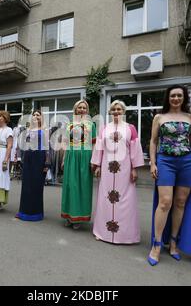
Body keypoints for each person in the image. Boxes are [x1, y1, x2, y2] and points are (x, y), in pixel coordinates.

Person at [147, 85, 191, 266]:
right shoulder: (159, 117)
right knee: (165, 202)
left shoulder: (190, 117)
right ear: (168, 98)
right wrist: (153, 162)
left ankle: (173, 242)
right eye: (173, 95)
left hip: (187, 162)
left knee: (180, 203)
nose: (176, 98)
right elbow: (154, 142)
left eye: (179, 95)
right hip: (165, 161)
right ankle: (156, 244)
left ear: (184, 98)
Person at [91, 100, 145, 244]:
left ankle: (126, 236)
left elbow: (135, 149)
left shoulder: (130, 128)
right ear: (110, 112)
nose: (116, 112)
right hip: (107, 169)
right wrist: (97, 166)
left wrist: (134, 168)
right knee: (105, 199)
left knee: (126, 200)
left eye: (119, 109)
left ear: (123, 111)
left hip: (125, 169)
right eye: (114, 109)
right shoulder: (104, 128)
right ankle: (103, 232)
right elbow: (99, 148)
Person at [61, 100, 96, 230]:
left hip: (85, 157)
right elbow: (66, 144)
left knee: (82, 187)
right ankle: (68, 216)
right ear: (75, 109)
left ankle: (79, 218)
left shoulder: (91, 125)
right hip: (71, 156)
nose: (81, 109)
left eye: (84, 108)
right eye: (79, 107)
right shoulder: (69, 125)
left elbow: (93, 143)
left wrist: (93, 159)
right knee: (70, 186)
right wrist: (64, 159)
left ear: (86, 110)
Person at [16, 110, 50, 221]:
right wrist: (20, 157)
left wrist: (47, 163)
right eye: (34, 115)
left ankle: (36, 213)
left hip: (39, 158)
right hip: (28, 158)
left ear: (41, 117)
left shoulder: (45, 130)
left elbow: (47, 148)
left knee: (36, 186)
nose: (35, 116)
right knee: (26, 186)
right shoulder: (28, 130)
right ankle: (23, 212)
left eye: (38, 115)